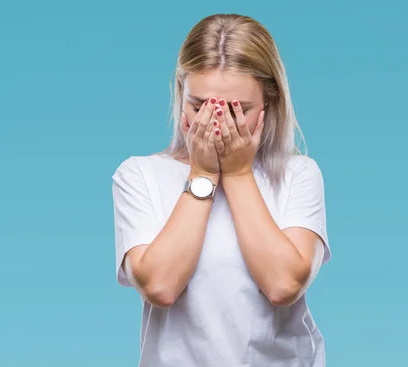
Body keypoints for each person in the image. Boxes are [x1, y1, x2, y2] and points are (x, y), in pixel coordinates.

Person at [111, 13, 331, 367]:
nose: (215, 124)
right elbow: (161, 287)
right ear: (180, 96)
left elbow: (283, 285)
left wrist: (239, 172)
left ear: (267, 106)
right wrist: (203, 173)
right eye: (199, 107)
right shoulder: (139, 175)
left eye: (237, 110)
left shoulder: (298, 175)